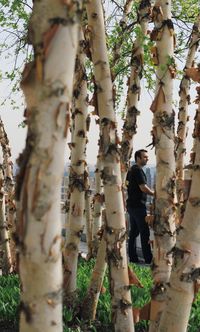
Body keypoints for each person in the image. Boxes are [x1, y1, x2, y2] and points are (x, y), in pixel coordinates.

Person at [126, 149, 154, 264]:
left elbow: (127, 185)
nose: (147, 159)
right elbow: (143, 187)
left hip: (131, 206)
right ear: (138, 158)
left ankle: (132, 257)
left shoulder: (131, 170)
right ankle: (148, 259)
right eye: (145, 157)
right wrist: (154, 193)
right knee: (144, 232)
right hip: (138, 206)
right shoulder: (137, 171)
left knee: (133, 232)